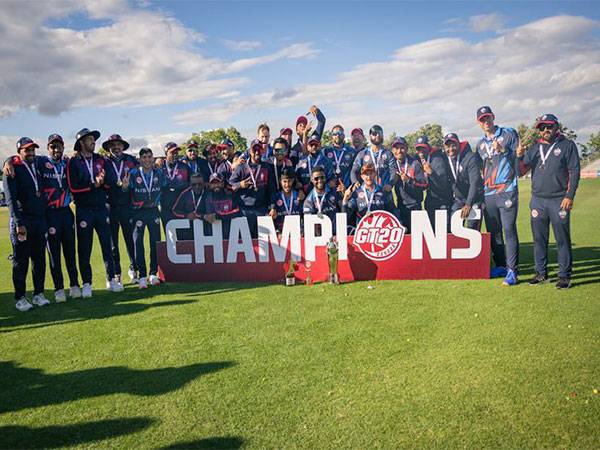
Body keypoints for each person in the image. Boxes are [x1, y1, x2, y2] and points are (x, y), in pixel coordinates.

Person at [517, 114, 581, 289]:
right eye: (542, 127)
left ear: (556, 127)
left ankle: (564, 276)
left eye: (549, 126)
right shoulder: (535, 148)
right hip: (538, 200)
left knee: (562, 239)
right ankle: (540, 273)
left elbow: (574, 172)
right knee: (539, 239)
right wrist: (519, 157)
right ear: (539, 129)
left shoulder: (567, 145)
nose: (546, 129)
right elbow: (520, 171)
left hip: (559, 200)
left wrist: (569, 196)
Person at [67, 128, 120, 296]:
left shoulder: (100, 159)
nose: (93, 142)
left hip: (101, 209)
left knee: (108, 246)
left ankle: (110, 279)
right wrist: (93, 184)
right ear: (81, 142)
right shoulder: (74, 162)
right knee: (84, 248)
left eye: (93, 139)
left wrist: (103, 183)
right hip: (84, 210)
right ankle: (87, 283)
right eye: (90, 139)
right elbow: (73, 187)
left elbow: (109, 182)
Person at [475, 106, 521, 284]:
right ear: (478, 122)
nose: (486, 122)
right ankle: (501, 265)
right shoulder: (479, 144)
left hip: (507, 189)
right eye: (482, 119)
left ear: (493, 117)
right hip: (489, 193)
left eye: (488, 118)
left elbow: (520, 158)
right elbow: (480, 168)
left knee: (509, 229)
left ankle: (512, 271)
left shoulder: (509, 134)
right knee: (494, 232)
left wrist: (504, 151)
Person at [4, 137, 51, 311]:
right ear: (19, 152)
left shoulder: (36, 165)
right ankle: (20, 297)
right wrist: (18, 223)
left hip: (39, 220)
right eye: (27, 150)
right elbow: (10, 200)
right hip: (22, 221)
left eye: (32, 150)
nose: (31, 153)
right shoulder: (12, 169)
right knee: (21, 260)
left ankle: (38, 294)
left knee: (39, 260)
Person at [40, 134, 81, 301]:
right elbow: (19, 159)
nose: (56, 150)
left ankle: (74, 285)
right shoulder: (41, 162)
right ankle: (58, 288)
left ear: (63, 147)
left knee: (70, 252)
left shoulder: (68, 163)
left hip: (66, 212)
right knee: (54, 254)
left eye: (59, 146)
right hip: (50, 213)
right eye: (53, 147)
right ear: (48, 148)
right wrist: (8, 161)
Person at [126, 147, 165, 289]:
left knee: (155, 242)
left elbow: (165, 188)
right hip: (138, 212)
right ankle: (142, 275)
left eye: (149, 157)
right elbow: (125, 190)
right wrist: (123, 187)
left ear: (153, 158)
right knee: (138, 244)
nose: (147, 160)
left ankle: (153, 273)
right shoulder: (133, 173)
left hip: (153, 211)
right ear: (140, 159)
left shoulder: (159, 173)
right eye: (144, 157)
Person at [103, 134, 139, 286]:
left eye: (118, 144)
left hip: (127, 207)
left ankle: (134, 270)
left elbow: (141, 176)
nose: (116, 147)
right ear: (108, 147)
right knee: (113, 244)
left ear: (123, 146)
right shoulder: (103, 161)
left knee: (131, 241)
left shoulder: (131, 161)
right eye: (113, 145)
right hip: (110, 207)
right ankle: (117, 273)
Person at [229, 139, 277, 237]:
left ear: (262, 151)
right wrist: (240, 185)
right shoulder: (242, 167)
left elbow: (272, 190)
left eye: (259, 149)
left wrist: (272, 208)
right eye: (254, 149)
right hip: (244, 210)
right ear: (250, 151)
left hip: (261, 209)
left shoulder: (267, 167)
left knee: (263, 240)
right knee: (245, 241)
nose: (256, 152)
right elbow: (230, 185)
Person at [443, 133, 484, 231]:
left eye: (453, 145)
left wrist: (468, 204)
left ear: (459, 144)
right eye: (447, 146)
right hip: (459, 199)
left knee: (472, 230)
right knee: (453, 226)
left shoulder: (470, 158)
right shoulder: (446, 159)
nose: (451, 149)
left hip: (475, 199)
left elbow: (475, 183)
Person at [414, 135, 454, 229]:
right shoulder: (423, 158)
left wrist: (431, 173)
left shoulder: (437, 159)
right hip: (431, 200)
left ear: (428, 147)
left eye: (423, 148)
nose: (421, 151)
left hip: (442, 202)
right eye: (418, 149)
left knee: (444, 235)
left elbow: (442, 184)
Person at [391, 137, 427, 232]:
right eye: (396, 148)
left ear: (406, 148)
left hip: (415, 207)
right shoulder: (392, 164)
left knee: (417, 238)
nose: (399, 151)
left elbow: (424, 185)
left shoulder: (415, 164)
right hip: (400, 206)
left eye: (402, 148)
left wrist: (409, 180)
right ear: (393, 150)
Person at [350, 125, 396, 194]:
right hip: (367, 194)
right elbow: (353, 171)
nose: (377, 136)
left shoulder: (388, 154)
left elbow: (393, 171)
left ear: (383, 135)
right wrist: (355, 182)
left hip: (385, 193)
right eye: (374, 134)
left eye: (379, 133)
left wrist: (390, 184)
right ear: (370, 136)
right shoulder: (362, 154)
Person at [160, 141, 191, 231]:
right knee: (169, 237)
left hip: (181, 208)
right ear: (166, 153)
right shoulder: (159, 167)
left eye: (176, 152)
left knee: (183, 237)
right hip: (166, 208)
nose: (175, 155)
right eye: (172, 152)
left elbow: (191, 183)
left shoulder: (184, 167)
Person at [172, 173, 207, 240]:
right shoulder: (185, 193)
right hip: (188, 229)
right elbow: (174, 210)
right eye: (194, 185)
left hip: (205, 228)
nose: (197, 186)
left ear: (204, 183)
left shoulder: (208, 193)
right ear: (190, 184)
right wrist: (186, 215)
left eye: (200, 184)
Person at [269, 168, 303, 232]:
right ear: (280, 181)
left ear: (292, 181)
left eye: (289, 181)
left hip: (297, 232)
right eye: (284, 181)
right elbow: (272, 219)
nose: (287, 185)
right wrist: (277, 232)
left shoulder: (299, 196)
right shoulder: (276, 198)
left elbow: (303, 217)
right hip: (281, 234)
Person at [323, 125, 356, 189]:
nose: (337, 135)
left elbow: (355, 171)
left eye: (340, 133)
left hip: (346, 189)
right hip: (330, 189)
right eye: (335, 134)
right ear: (331, 137)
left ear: (343, 136)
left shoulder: (352, 152)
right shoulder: (325, 151)